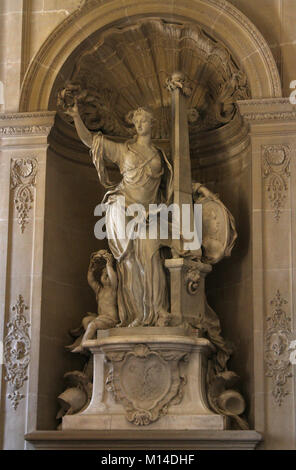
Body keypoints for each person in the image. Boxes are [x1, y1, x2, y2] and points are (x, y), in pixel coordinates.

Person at [67, 101, 173, 327]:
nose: (140, 124)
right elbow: (91, 142)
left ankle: (158, 313)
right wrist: (77, 117)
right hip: (124, 208)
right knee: (129, 263)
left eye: (144, 120)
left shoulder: (160, 155)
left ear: (152, 123)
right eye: (137, 121)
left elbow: (171, 190)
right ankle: (133, 316)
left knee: (153, 260)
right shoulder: (124, 150)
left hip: (151, 214)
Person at [73, 250, 118, 352]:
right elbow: (91, 280)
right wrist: (91, 269)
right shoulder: (100, 290)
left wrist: (109, 266)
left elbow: (113, 278)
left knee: (93, 324)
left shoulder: (113, 290)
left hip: (111, 319)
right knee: (86, 320)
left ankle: (83, 343)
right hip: (101, 318)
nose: (106, 276)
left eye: (108, 274)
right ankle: (91, 338)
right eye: (104, 274)